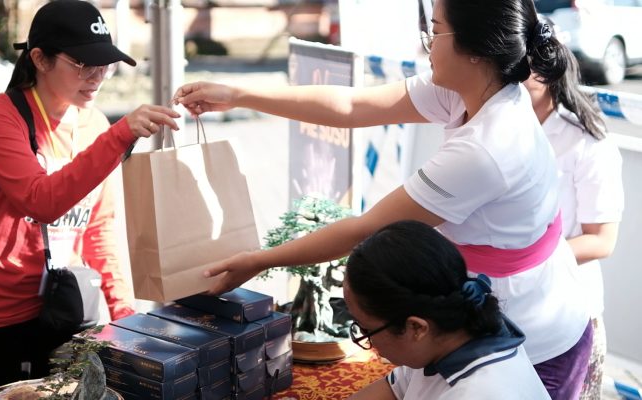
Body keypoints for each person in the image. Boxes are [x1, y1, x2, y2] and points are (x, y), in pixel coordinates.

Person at [175, 0, 592, 398]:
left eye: (435, 32)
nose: (426, 44)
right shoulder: (474, 88)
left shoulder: (485, 149)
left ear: (475, 50)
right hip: (488, 312)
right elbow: (352, 106)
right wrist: (238, 95)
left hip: (534, 338)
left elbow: (365, 229)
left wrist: (259, 260)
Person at [0, 0, 179, 395]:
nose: (97, 77)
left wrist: (124, 315)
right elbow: (40, 201)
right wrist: (119, 136)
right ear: (40, 59)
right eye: (84, 65)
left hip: (62, 313)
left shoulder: (95, 124)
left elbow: (99, 228)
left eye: (105, 65)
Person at [344, 220, 549, 400]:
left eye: (365, 329)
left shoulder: (479, 392)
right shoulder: (445, 335)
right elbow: (394, 388)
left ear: (416, 327)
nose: (369, 343)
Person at [524, 48, 624, 400]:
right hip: (510, 310)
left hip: (568, 315)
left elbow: (602, 240)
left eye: (519, 68)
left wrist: (523, 262)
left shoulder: (586, 140)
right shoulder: (496, 127)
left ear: (547, 72)